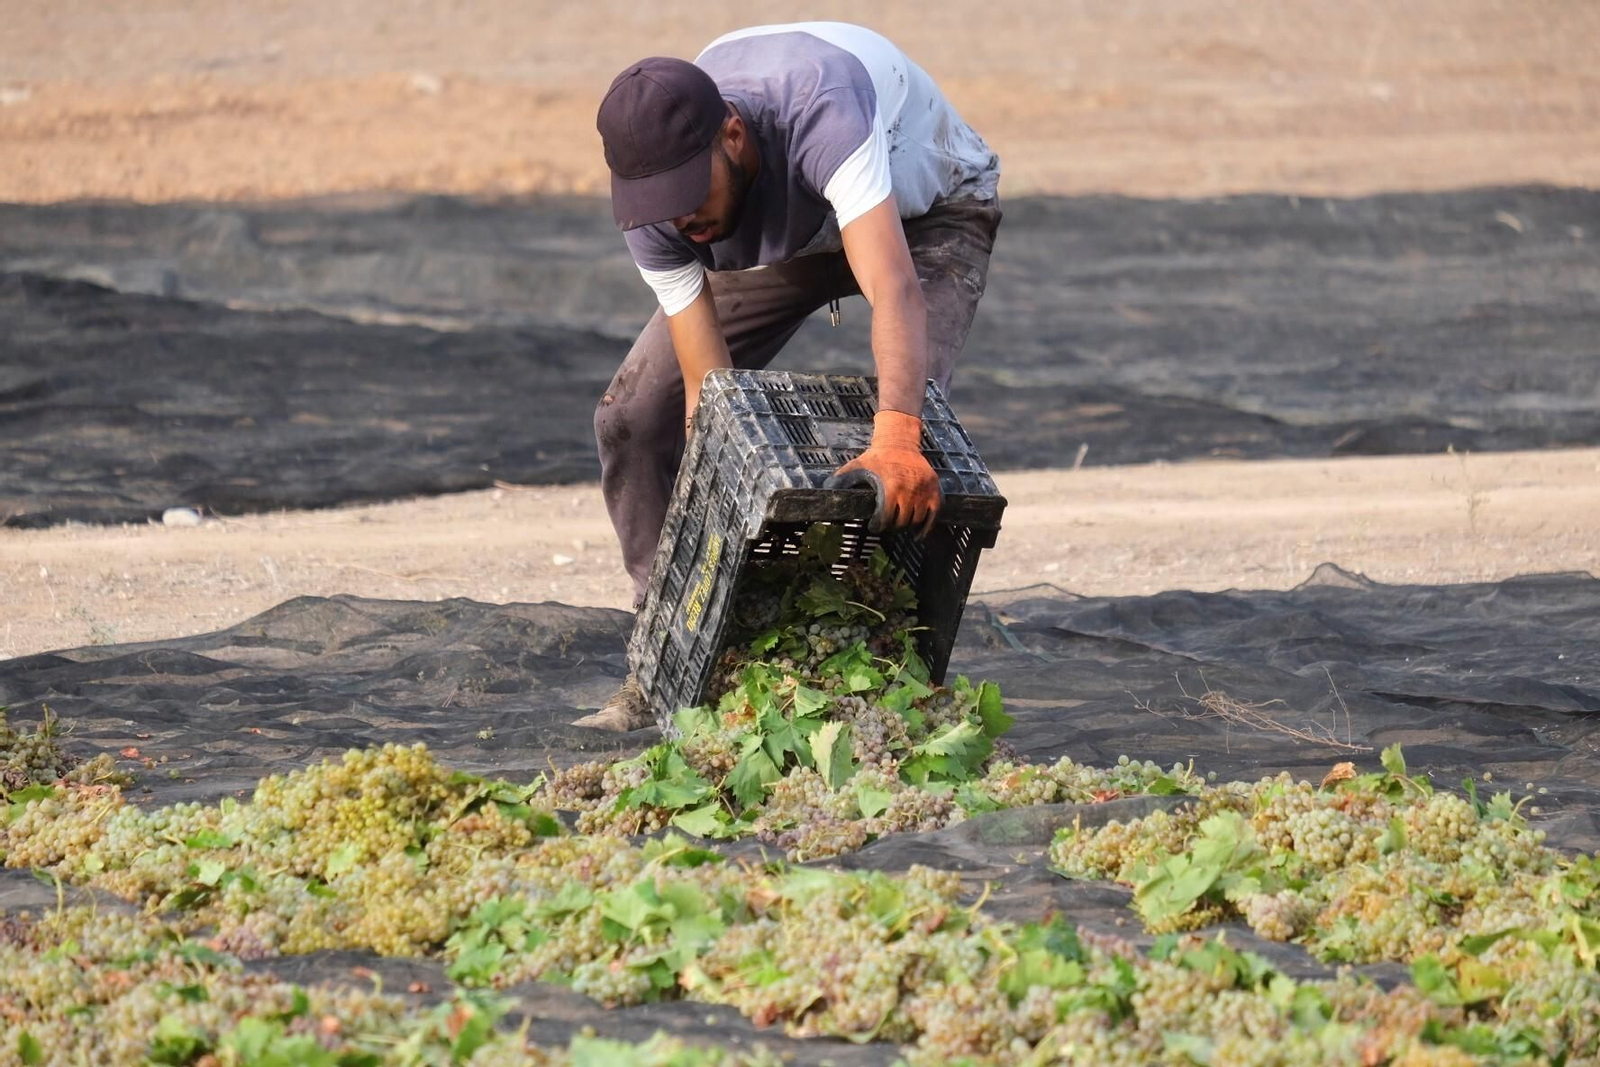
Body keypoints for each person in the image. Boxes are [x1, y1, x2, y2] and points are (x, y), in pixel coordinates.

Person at [574, 21, 1001, 730]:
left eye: (690, 190)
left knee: (906, 436)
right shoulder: (659, 209)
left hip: (927, 215)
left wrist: (898, 434)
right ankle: (664, 655)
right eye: (662, 203)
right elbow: (710, 397)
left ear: (733, 135)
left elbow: (894, 286)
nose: (679, 216)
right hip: (793, 238)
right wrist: (712, 532)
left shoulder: (819, 105)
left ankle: (883, 672)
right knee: (634, 416)